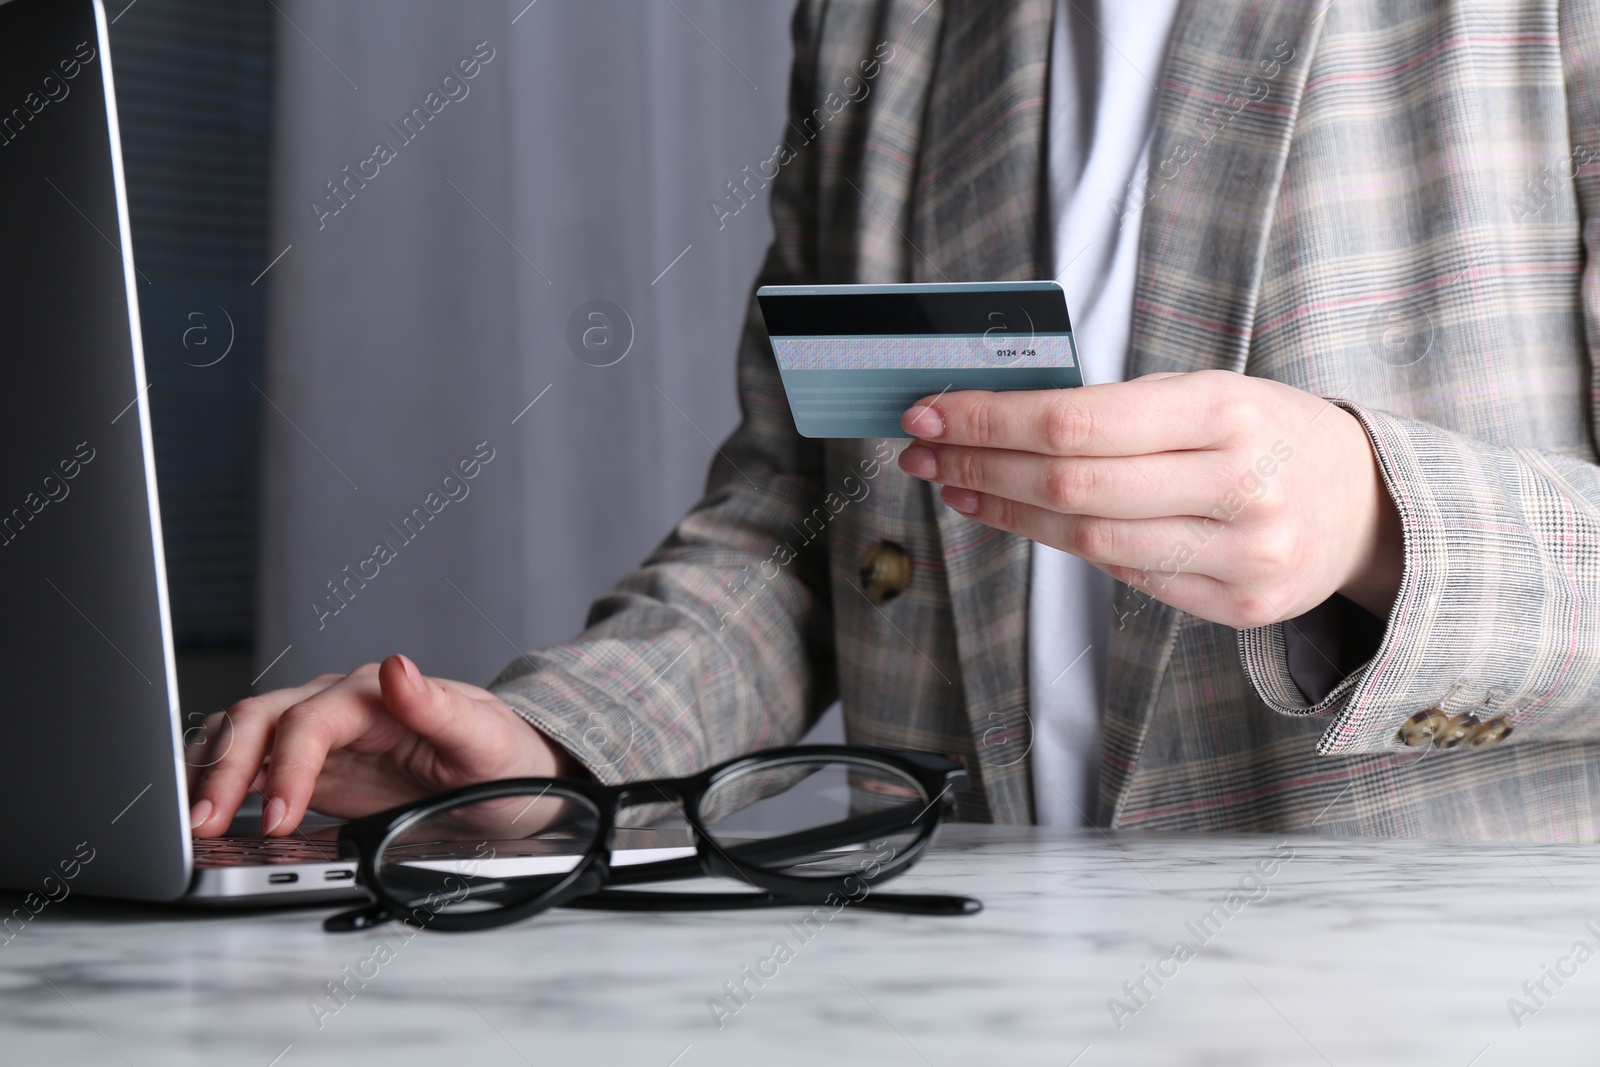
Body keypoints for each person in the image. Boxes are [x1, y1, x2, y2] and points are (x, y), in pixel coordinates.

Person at [190, 0, 1600, 841]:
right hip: (984, 1000)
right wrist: (558, 753)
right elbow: (808, 529)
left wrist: (1377, 525)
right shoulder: (880, 21)